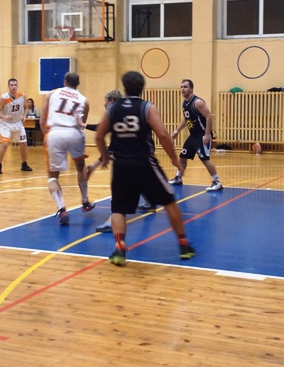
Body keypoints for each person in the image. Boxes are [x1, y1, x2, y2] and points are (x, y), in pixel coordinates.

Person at [94, 71, 196, 266]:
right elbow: (163, 134)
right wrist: (174, 160)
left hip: (122, 166)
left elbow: (99, 135)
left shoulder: (113, 109)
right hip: (144, 164)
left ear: (124, 87)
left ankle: (119, 249)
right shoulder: (147, 107)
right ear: (142, 88)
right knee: (169, 202)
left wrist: (105, 156)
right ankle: (184, 246)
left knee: (118, 209)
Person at [41, 72, 92, 225]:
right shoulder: (84, 100)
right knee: (80, 167)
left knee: (53, 176)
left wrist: (46, 136)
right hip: (75, 133)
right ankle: (85, 201)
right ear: (78, 83)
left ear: (64, 82)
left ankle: (62, 208)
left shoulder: (52, 93)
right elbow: (82, 123)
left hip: (55, 133)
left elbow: (42, 120)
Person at [167, 79, 223, 193]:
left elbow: (208, 117)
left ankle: (217, 182)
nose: (182, 89)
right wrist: (177, 130)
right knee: (183, 156)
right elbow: (186, 118)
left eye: (185, 87)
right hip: (193, 135)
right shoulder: (184, 103)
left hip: (202, 135)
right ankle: (178, 177)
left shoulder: (197, 102)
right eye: (181, 87)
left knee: (205, 159)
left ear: (191, 89)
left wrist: (207, 134)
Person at [85, 89, 124, 234]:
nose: (104, 105)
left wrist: (84, 125)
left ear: (111, 101)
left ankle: (112, 222)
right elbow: (113, 145)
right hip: (137, 153)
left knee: (119, 190)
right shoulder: (126, 110)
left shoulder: (113, 112)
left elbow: (100, 131)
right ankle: (150, 201)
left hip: (127, 156)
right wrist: (96, 163)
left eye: (105, 102)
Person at [0, 78, 32, 174]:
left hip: (18, 123)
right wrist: (4, 116)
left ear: (17, 86)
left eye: (15, 85)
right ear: (8, 86)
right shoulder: (3, 98)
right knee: (5, 144)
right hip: (6, 124)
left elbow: (26, 108)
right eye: (11, 85)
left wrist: (24, 116)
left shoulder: (22, 96)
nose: (13, 87)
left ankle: (24, 163)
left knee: (23, 143)